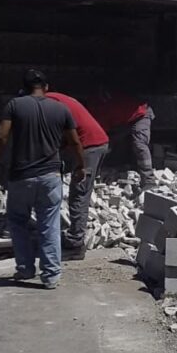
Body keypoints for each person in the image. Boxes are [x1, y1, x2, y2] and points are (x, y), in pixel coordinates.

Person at [0, 70, 85, 289]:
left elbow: (1, 136)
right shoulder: (61, 108)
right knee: (49, 224)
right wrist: (81, 166)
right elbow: (74, 141)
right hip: (51, 175)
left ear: (23, 88)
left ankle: (25, 269)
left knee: (17, 221)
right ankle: (51, 276)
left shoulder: (14, 105)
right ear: (46, 87)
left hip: (21, 176)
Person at [45, 90, 110, 261]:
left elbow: (57, 136)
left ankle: (76, 245)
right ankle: (75, 236)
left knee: (78, 194)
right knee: (80, 192)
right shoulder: (56, 99)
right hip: (94, 142)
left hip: (89, 146)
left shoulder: (49, 105)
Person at [87, 91, 155, 190]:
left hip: (141, 114)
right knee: (115, 140)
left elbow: (101, 141)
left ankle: (149, 181)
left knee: (139, 144)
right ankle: (120, 165)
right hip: (123, 119)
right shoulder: (96, 109)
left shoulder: (99, 112)